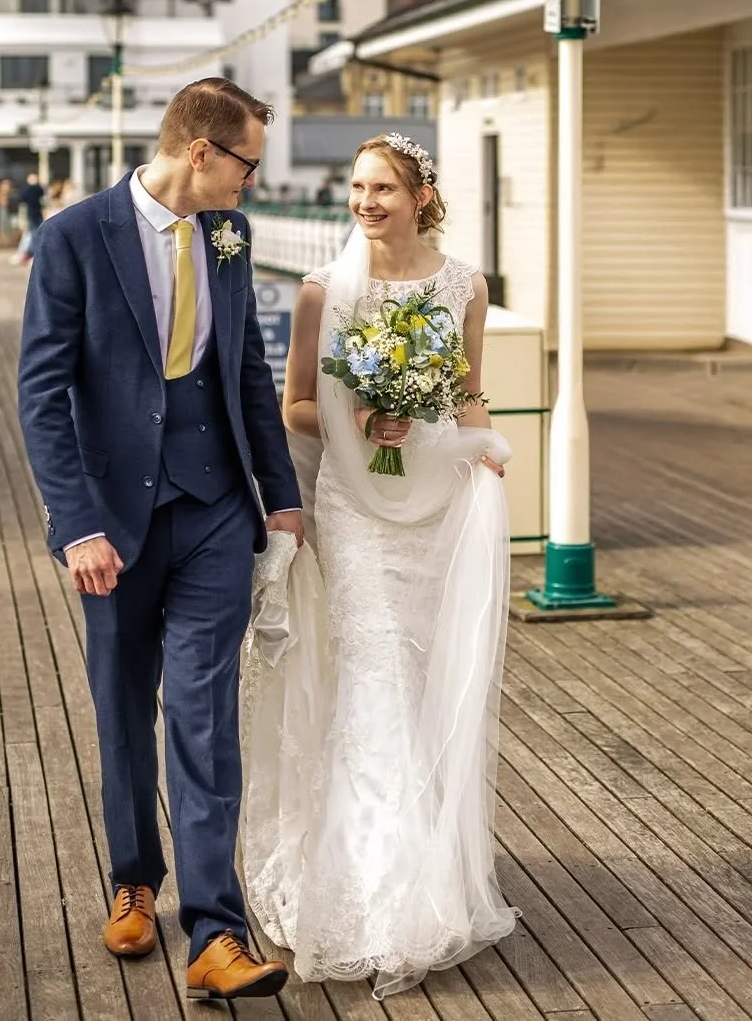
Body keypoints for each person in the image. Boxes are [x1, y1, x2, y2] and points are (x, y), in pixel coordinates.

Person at [17, 78, 304, 1002]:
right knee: (121, 709)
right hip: (116, 524)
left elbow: (246, 370)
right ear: (201, 154)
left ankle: (216, 931)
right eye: (247, 165)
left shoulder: (230, 235)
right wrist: (77, 527)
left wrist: (282, 497)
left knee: (203, 713)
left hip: (218, 508)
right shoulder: (72, 237)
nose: (252, 185)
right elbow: (42, 396)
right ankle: (134, 883)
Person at [241, 132, 516, 998]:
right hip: (356, 513)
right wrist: (361, 422)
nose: (366, 202)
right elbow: (296, 405)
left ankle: (428, 871)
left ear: (422, 195)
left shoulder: (464, 285)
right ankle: (382, 896)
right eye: (358, 187)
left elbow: (468, 389)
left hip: (431, 503)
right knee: (379, 681)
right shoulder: (326, 288)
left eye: (383, 188)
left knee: (428, 677)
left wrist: (472, 443)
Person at [13, 172, 45, 263]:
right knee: (35, 233)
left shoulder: (27, 189)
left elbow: (21, 199)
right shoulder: (38, 188)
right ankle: (32, 253)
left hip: (31, 214)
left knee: (33, 234)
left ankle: (31, 253)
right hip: (36, 214)